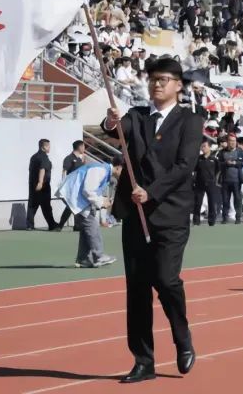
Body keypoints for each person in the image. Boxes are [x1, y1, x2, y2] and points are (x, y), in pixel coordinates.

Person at [103, 56, 203, 383]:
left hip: (170, 214)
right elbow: (118, 129)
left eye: (163, 80)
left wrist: (152, 191)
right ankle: (143, 361)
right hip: (135, 214)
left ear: (178, 85)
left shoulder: (190, 121)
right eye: (152, 80)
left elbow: (184, 166)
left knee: (166, 279)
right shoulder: (137, 115)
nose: (156, 85)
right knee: (137, 290)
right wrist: (110, 122)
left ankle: (182, 337)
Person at [57, 155, 122, 268]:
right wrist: (101, 202)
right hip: (74, 195)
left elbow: (90, 190)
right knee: (91, 225)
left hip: (74, 195)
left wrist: (101, 200)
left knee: (86, 226)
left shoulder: (103, 170)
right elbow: (88, 190)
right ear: (118, 167)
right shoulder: (101, 170)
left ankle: (84, 259)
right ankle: (99, 256)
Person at [26, 139, 60, 231]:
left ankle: (29, 225)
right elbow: (42, 169)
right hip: (43, 185)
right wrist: (40, 182)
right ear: (43, 147)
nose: (49, 148)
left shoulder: (33, 157)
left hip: (33, 184)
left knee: (32, 205)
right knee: (46, 206)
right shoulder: (43, 157)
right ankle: (52, 225)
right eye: (48, 146)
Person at [57, 140, 88, 230]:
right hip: (71, 187)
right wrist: (63, 185)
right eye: (83, 146)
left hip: (78, 187)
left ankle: (76, 225)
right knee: (70, 206)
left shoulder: (79, 159)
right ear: (80, 147)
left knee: (75, 206)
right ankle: (60, 225)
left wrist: (84, 164)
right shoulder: (69, 158)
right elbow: (64, 171)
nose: (84, 148)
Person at [192, 141, 220, 226]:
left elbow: (218, 170)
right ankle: (196, 221)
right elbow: (194, 170)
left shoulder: (214, 159)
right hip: (199, 183)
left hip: (211, 183)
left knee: (211, 202)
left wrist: (214, 179)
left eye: (204, 146)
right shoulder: (198, 158)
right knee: (197, 202)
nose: (203, 148)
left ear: (209, 147)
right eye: (202, 146)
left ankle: (211, 221)